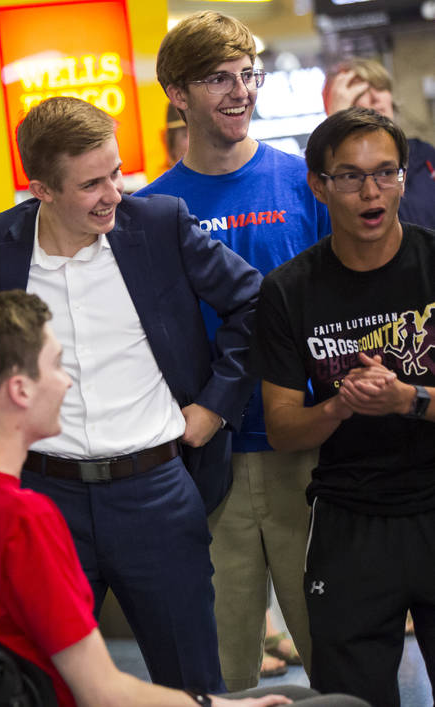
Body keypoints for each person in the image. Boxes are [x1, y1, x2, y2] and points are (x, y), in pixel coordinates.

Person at [0, 290, 366, 707]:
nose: (68, 382)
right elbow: (104, 691)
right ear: (19, 390)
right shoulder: (23, 518)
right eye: (57, 365)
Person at [0, 95, 262, 693]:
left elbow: (253, 302)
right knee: (50, 684)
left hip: (156, 494)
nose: (113, 192)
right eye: (91, 184)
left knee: (190, 682)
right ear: (42, 190)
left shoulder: (160, 224)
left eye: (115, 172)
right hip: (40, 498)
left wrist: (215, 405)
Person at [136, 10, 330, 689]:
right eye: (218, 77)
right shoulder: (149, 212)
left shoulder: (307, 184)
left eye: (248, 74)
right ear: (177, 93)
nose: (239, 91)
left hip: (305, 452)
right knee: (220, 675)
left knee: (334, 653)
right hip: (202, 464)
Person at [251, 107, 435, 705]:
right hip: (350, 522)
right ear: (319, 185)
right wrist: (339, 408)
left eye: (386, 172)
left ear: (405, 178)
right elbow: (281, 429)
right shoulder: (288, 290)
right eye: (351, 176)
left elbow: (411, 399)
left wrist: (407, 399)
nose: (371, 191)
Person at [323, 57, 435, 230]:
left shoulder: (424, 154)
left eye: (380, 87)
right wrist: (336, 127)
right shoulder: (335, 172)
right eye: (361, 93)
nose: (375, 98)